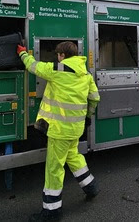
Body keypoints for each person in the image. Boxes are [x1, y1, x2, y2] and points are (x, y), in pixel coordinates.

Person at [17, 41, 101, 220]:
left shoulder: (57, 70)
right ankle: (91, 186)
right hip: (76, 128)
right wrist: (87, 117)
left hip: (59, 130)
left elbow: (33, 66)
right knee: (74, 156)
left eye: (58, 54)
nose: (57, 57)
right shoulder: (85, 73)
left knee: (54, 169)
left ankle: (51, 211)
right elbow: (94, 98)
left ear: (62, 55)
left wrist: (22, 53)